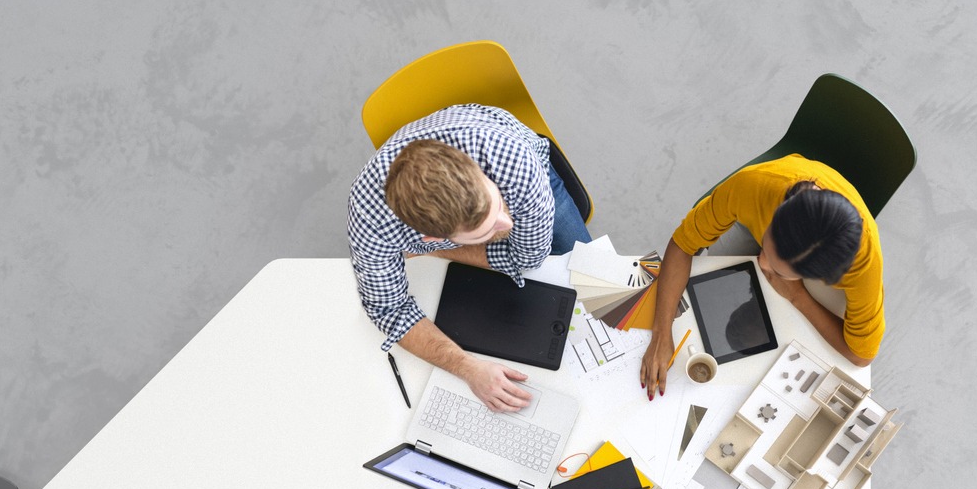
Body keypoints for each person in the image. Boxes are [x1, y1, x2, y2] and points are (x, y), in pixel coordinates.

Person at [348, 103, 593, 412]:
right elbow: (390, 312)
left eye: (496, 203)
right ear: (435, 237)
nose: (507, 222)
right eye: (486, 230)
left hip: (524, 158)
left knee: (592, 276)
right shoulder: (369, 223)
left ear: (475, 169)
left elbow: (528, 258)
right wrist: (468, 368)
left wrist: (436, 252)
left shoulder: (511, 160)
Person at [637, 155, 884, 397]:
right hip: (765, 197)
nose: (761, 262)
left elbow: (861, 355)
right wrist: (661, 332)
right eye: (766, 244)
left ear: (820, 277)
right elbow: (683, 244)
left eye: (778, 270)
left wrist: (798, 296)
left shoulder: (863, 266)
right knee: (711, 277)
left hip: (822, 277)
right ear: (777, 215)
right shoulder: (753, 185)